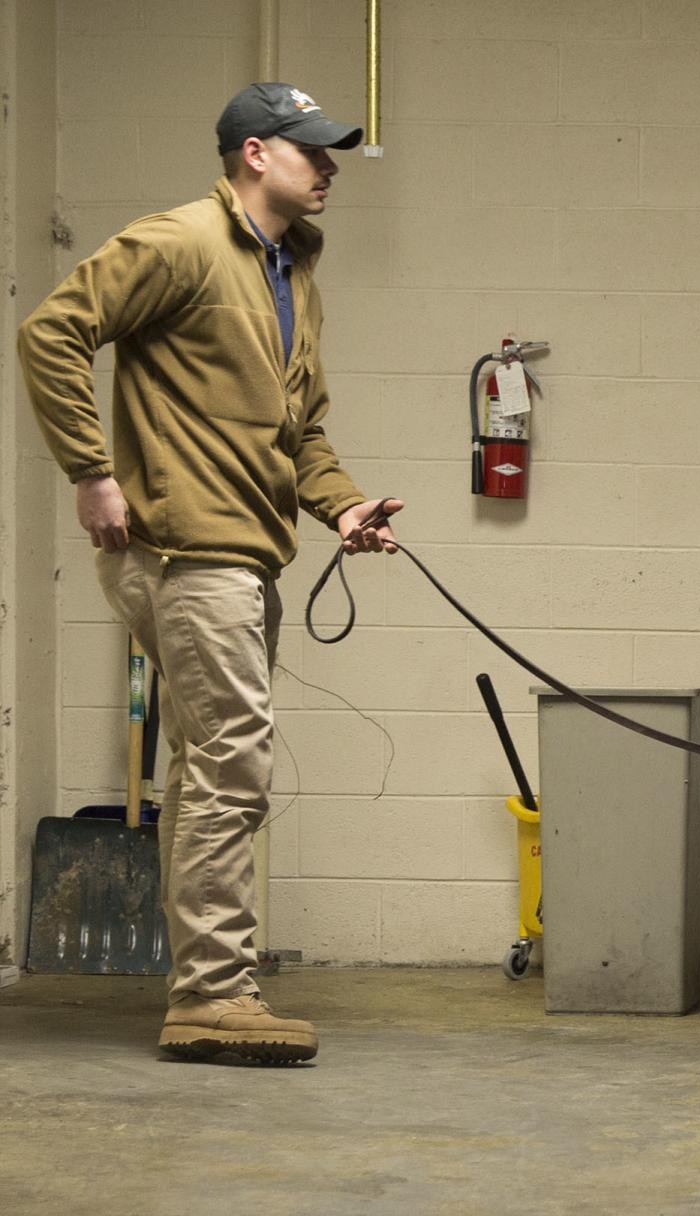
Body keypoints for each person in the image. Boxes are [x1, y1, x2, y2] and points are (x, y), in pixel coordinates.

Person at [17, 82, 402, 1065]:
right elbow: (51, 329)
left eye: (333, 151)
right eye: (312, 149)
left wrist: (344, 506)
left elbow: (299, 430)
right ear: (254, 154)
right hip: (188, 552)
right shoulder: (182, 241)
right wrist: (91, 471)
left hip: (242, 552)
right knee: (235, 764)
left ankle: (209, 985)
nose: (329, 166)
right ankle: (214, 995)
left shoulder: (289, 273)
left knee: (210, 767)